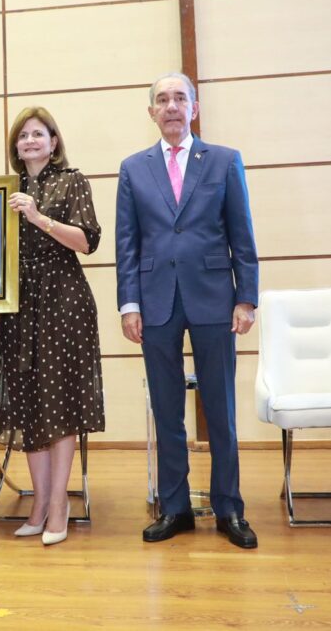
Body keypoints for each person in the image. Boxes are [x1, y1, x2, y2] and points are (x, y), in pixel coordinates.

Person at [116, 73, 259, 548]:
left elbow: (242, 233)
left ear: (194, 108)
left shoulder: (223, 160)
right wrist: (128, 304)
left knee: (220, 407)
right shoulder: (133, 168)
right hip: (155, 301)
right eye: (162, 99)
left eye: (180, 98)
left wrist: (246, 296)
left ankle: (229, 508)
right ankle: (174, 507)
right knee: (167, 408)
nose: (172, 106)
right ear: (151, 112)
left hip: (214, 296)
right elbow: (128, 243)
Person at [0, 106, 105, 546]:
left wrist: (39, 218)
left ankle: (59, 504)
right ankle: (38, 504)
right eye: (23, 136)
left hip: (63, 301)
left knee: (60, 406)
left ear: (54, 142)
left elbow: (88, 241)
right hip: (18, 304)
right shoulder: (4, 190)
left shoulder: (72, 181)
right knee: (28, 405)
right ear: (15, 147)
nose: (30, 142)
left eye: (39, 134)